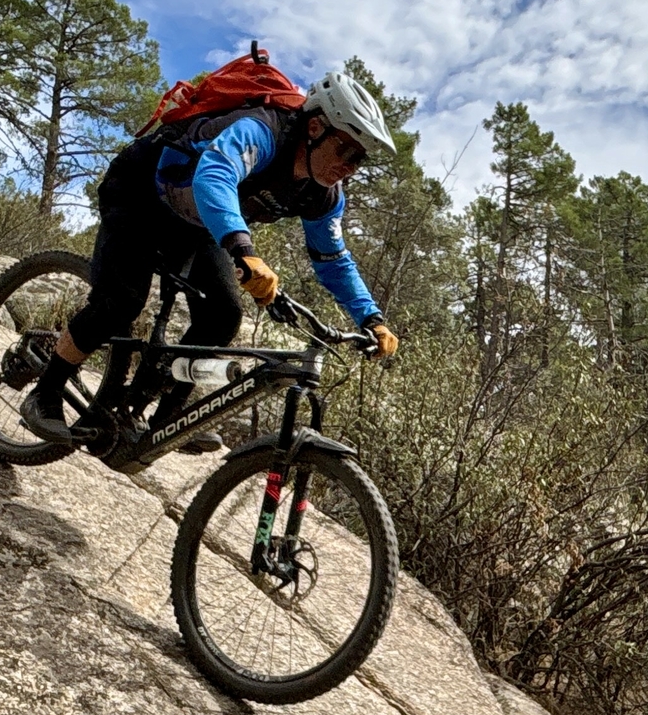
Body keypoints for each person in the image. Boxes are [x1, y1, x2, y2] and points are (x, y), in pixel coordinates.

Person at [21, 66, 403, 447]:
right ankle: (46, 392)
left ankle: (156, 417)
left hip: (195, 222)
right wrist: (244, 251)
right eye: (345, 149)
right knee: (120, 301)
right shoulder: (263, 131)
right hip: (139, 194)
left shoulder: (323, 193)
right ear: (316, 127)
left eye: (358, 160)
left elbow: (333, 259)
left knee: (223, 315)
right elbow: (215, 175)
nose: (348, 167)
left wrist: (372, 318)